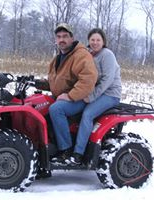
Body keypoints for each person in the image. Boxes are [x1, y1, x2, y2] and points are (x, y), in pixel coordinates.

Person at [36, 23, 98, 165]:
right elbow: (56, 81)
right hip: (63, 96)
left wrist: (70, 96)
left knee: (56, 109)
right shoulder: (58, 58)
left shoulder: (81, 55)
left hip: (80, 98)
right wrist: (36, 82)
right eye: (58, 37)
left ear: (72, 38)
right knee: (39, 104)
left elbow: (88, 80)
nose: (61, 39)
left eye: (65, 36)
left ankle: (66, 150)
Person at [67, 28, 122, 165]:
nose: (95, 42)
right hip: (94, 92)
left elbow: (107, 80)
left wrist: (91, 97)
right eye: (92, 40)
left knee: (87, 114)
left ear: (103, 42)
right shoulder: (88, 54)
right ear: (89, 41)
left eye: (98, 40)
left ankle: (78, 153)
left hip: (110, 94)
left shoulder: (107, 54)